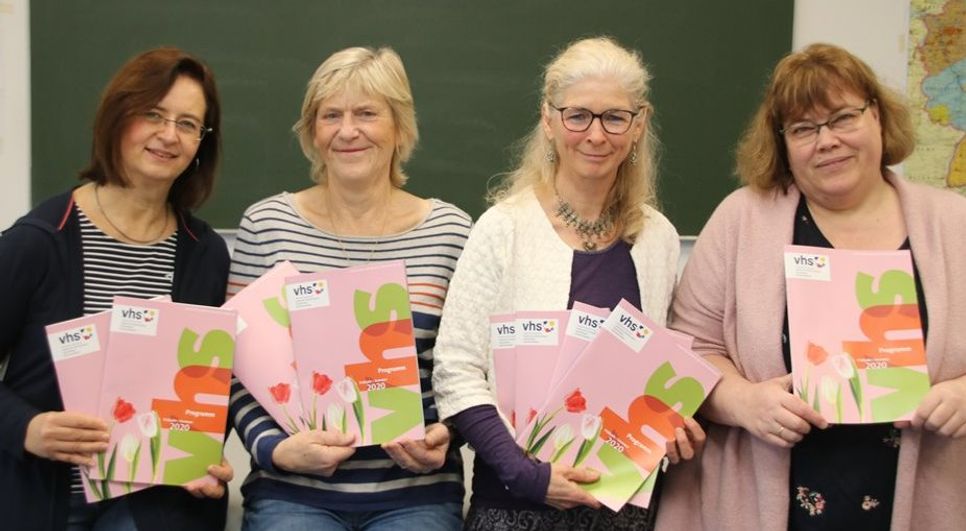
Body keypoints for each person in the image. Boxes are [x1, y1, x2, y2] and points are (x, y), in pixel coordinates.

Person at [656, 43, 966, 531]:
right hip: (759, 502)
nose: (827, 141)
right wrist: (741, 400)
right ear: (781, 142)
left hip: (925, 500)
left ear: (878, 118)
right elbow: (689, 347)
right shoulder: (742, 219)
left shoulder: (954, 223)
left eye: (843, 118)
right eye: (804, 128)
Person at [432, 36, 705, 531]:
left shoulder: (658, 239)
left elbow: (661, 370)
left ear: (638, 124)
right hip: (516, 504)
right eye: (578, 115)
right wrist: (526, 474)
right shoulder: (503, 228)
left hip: (622, 511)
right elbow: (456, 370)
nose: (596, 135)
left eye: (614, 117)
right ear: (549, 120)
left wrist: (677, 426)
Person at [228, 46, 471, 531]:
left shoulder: (452, 232)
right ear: (312, 132)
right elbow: (233, 366)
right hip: (292, 493)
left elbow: (472, 366)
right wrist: (275, 448)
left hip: (416, 493)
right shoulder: (267, 225)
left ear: (400, 127)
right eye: (330, 115)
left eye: (366, 113)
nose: (347, 130)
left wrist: (449, 433)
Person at [0, 48, 233, 530]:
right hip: (47, 501)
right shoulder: (38, 241)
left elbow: (210, 387)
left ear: (200, 144)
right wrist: (27, 427)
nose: (169, 135)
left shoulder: (205, 254)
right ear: (118, 115)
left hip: (158, 505)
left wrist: (203, 456)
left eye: (188, 124)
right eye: (153, 114)